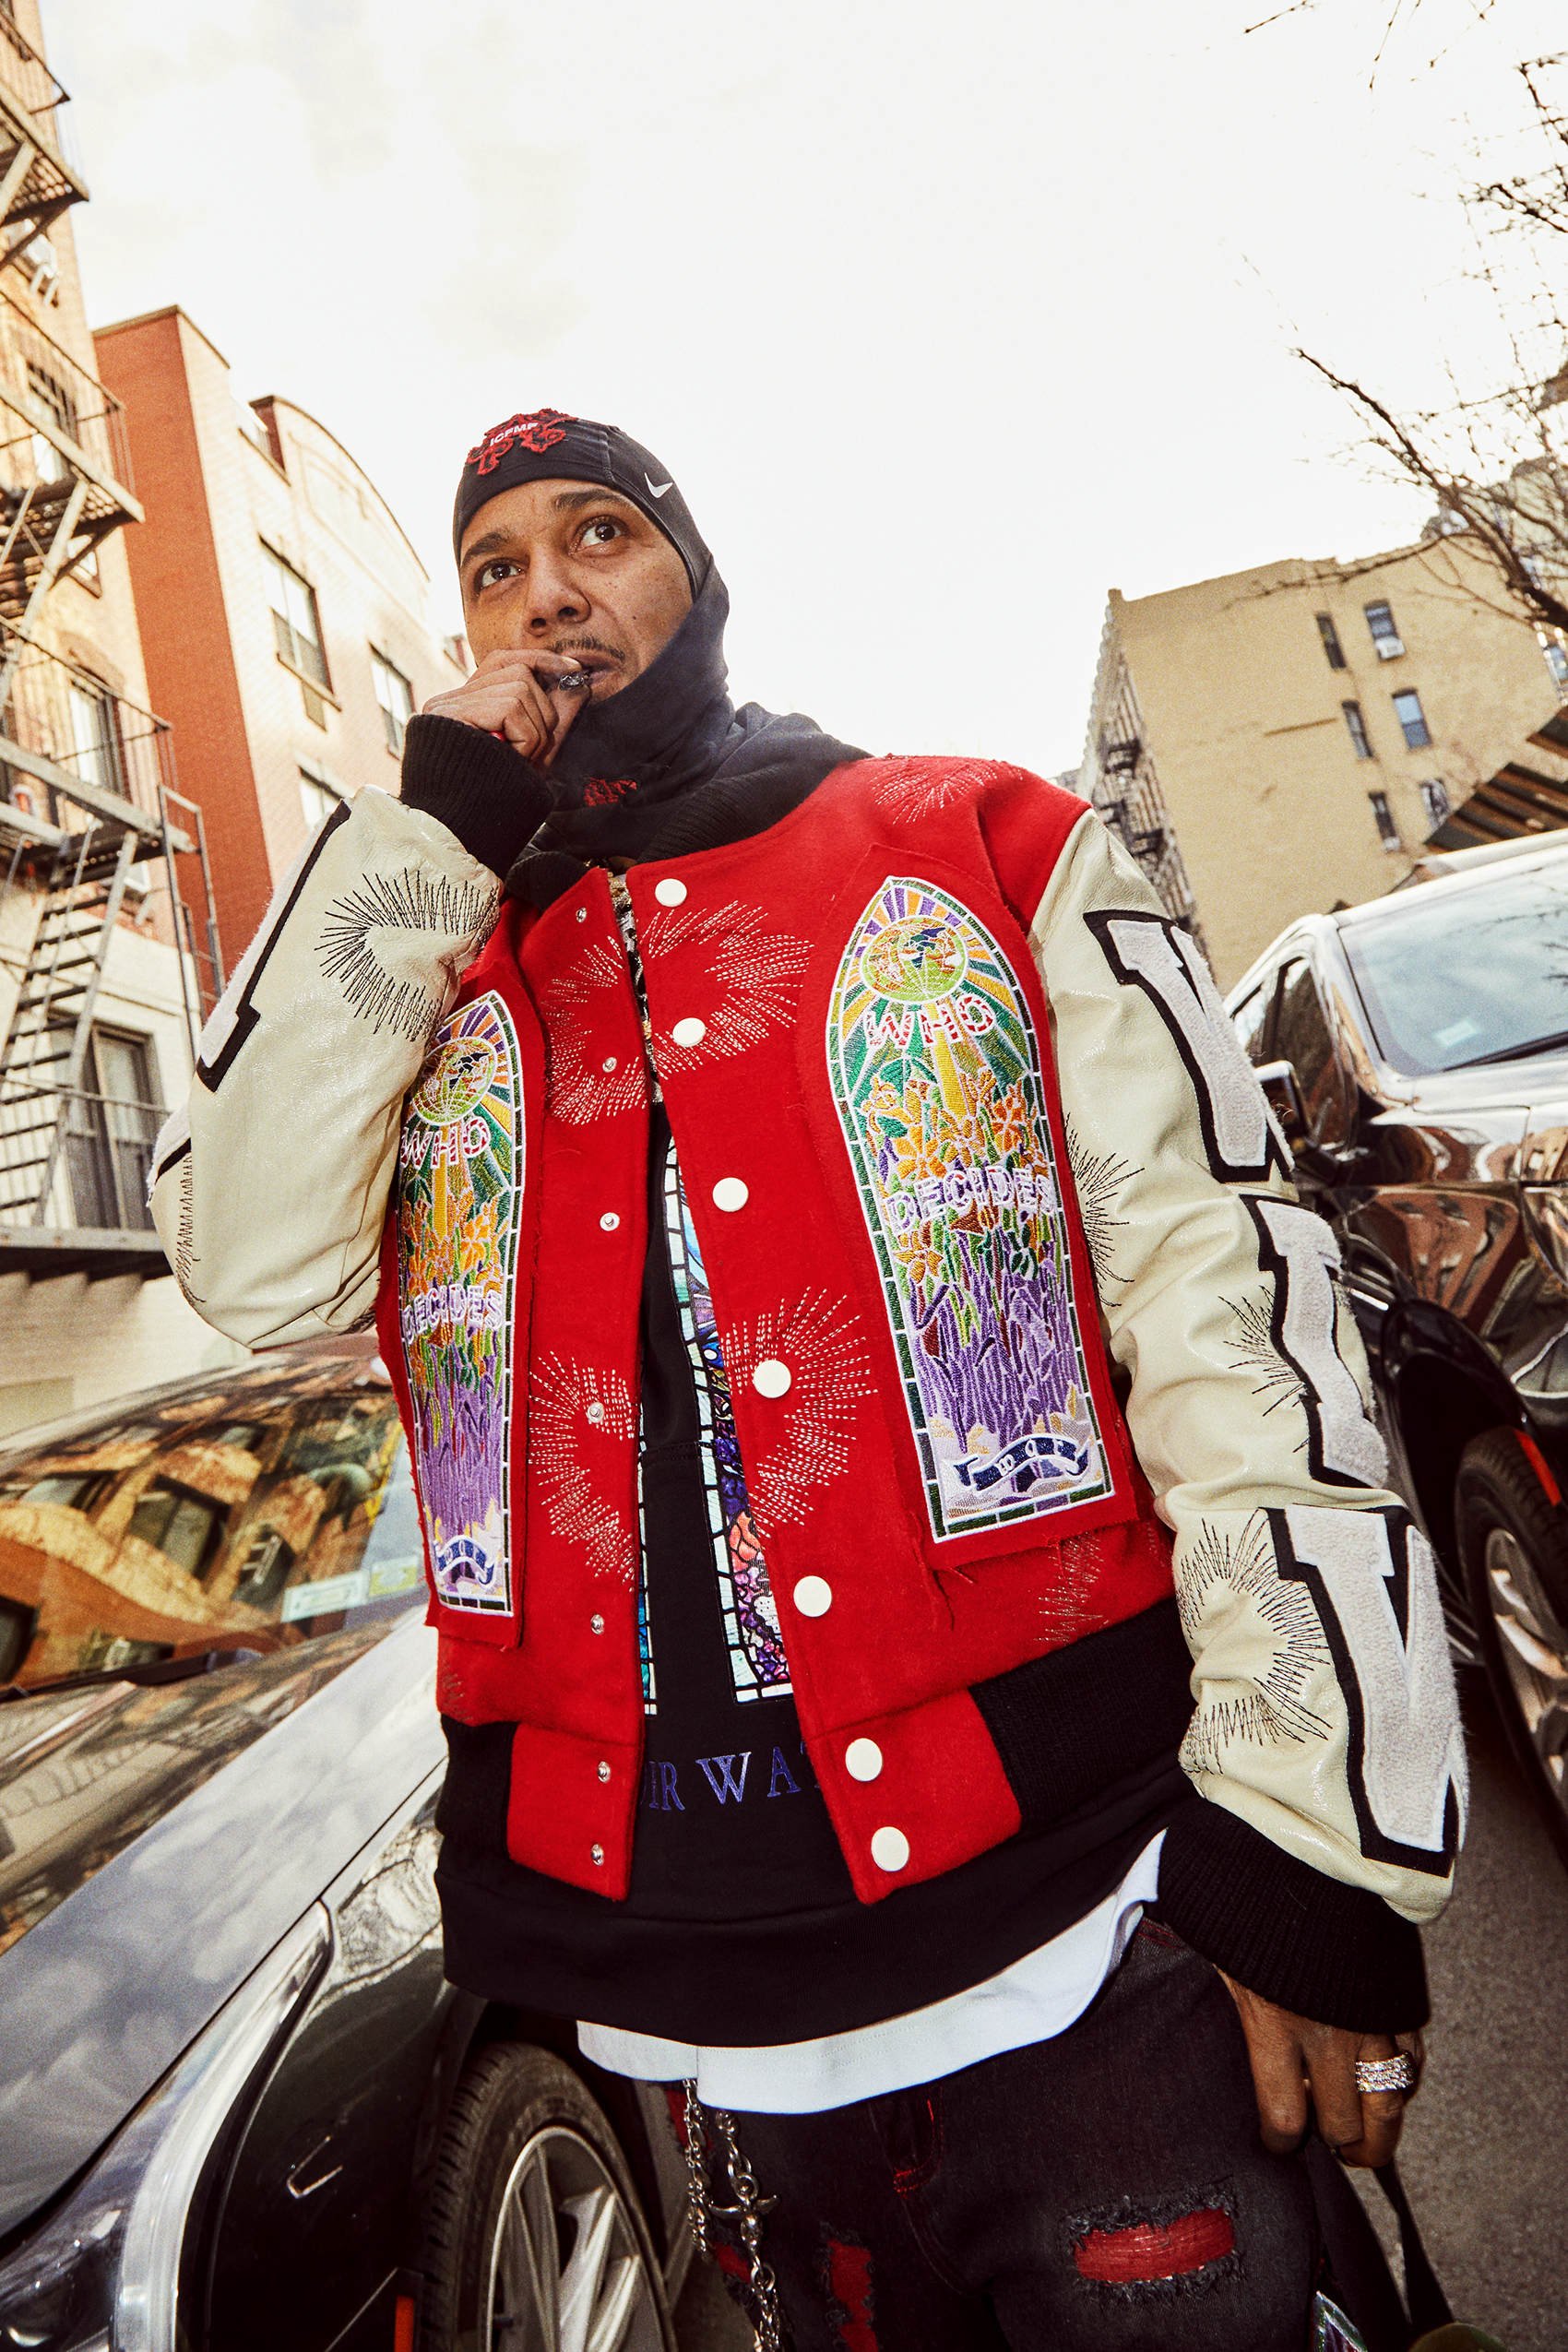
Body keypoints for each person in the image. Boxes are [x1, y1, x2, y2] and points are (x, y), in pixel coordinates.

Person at [151, 408, 1465, 2350]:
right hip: (705, 1999)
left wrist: (1320, 1847)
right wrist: (419, 843)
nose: (547, 595)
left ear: (696, 574)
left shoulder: (981, 840)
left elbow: (1234, 1316)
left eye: (598, 534)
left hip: (1095, 1925)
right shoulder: (439, 970)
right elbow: (251, 1269)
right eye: (496, 567)